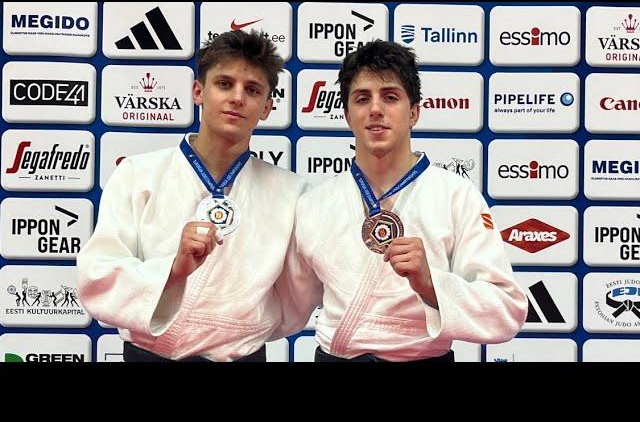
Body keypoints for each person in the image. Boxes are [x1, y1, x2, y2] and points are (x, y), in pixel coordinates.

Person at [284, 40, 528, 362]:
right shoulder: (314, 204)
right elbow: (288, 306)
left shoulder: (455, 194)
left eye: (390, 97)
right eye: (362, 98)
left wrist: (431, 285)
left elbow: (506, 310)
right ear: (347, 115)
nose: (375, 109)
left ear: (413, 113)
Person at [77, 30, 310, 362]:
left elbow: (296, 297)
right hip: (150, 356)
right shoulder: (137, 174)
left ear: (267, 107)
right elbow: (99, 274)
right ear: (199, 91)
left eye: (252, 90)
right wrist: (173, 270)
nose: (237, 98)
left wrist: (242, 328)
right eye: (224, 84)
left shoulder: (291, 193)